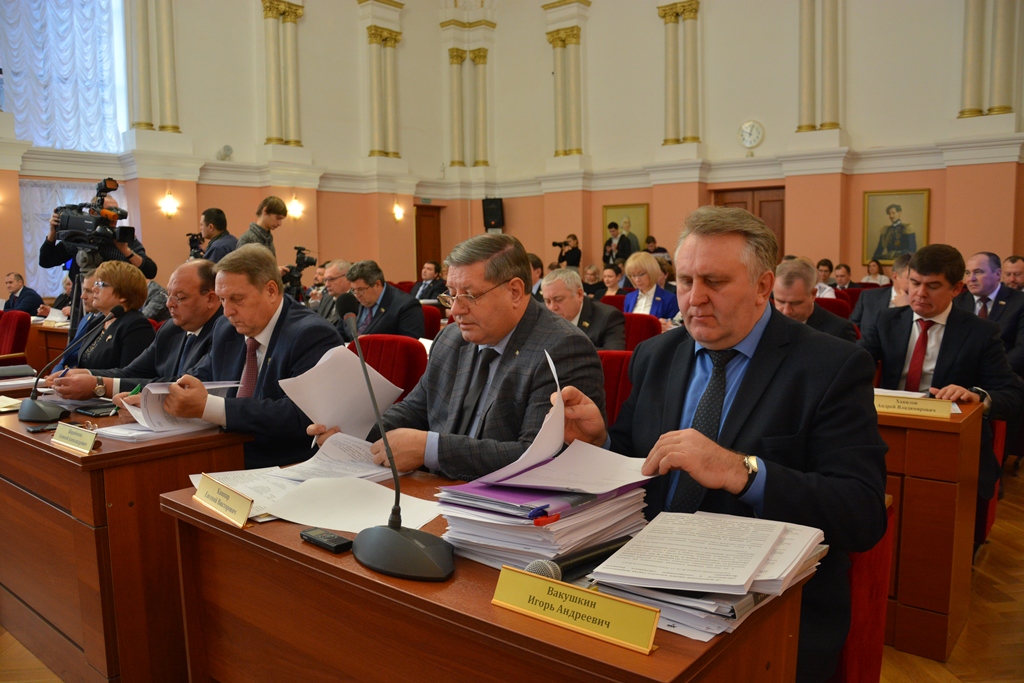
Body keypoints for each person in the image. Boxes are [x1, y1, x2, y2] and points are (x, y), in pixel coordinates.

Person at [558, 206, 887, 681]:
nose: (694, 299)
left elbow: (861, 512)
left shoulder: (831, 366)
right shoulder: (655, 355)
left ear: (762, 286)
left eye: (714, 281)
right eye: (685, 281)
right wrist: (600, 440)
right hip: (640, 582)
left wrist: (741, 471)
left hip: (764, 610)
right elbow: (638, 458)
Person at [309, 234, 605, 481]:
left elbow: (535, 455)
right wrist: (351, 433)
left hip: (504, 510)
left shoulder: (561, 348)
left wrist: (431, 449)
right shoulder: (452, 338)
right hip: (433, 494)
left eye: (469, 296)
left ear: (515, 291)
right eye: (451, 295)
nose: (455, 310)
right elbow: (415, 410)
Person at [859, 244, 1023, 550]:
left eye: (933, 286)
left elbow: (1012, 395)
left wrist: (976, 396)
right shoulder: (887, 320)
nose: (920, 293)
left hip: (952, 443)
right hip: (889, 434)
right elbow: (856, 364)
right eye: (915, 282)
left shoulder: (981, 332)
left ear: (957, 288)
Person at [140, 244, 342, 469]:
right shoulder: (226, 328)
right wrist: (152, 402)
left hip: (283, 463)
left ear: (271, 291)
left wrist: (209, 407)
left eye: (237, 299)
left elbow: (299, 414)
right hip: (224, 452)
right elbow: (200, 377)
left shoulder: (310, 334)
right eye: (222, 300)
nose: (227, 312)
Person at [51, 260, 222, 400]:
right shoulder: (170, 329)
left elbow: (185, 384)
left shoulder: (224, 332)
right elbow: (132, 372)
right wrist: (86, 374)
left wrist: (100, 385)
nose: (169, 304)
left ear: (210, 299)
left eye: (180, 297)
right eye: (168, 295)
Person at [40, 194, 157, 282]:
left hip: (115, 299)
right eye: (109, 211)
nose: (114, 216)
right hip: (82, 299)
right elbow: (46, 261)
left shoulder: (122, 237)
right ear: (92, 212)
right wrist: (53, 233)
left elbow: (150, 271)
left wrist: (125, 250)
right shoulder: (80, 237)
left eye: (117, 211)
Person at [67, 261, 155, 372]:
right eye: (96, 283)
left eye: (101, 284)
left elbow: (130, 375)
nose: (94, 289)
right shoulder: (98, 321)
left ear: (123, 295)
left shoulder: (136, 326)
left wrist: (85, 375)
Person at [955, 252, 1024, 375]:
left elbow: (1021, 349)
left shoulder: (1019, 302)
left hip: (1006, 375)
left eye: (978, 272)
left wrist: (993, 374)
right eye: (967, 273)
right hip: (962, 376)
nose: (971, 279)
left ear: (997, 274)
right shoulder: (957, 302)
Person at [774, 260, 857, 342]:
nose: (786, 311)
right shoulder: (769, 323)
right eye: (780, 302)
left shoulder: (839, 331)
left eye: (795, 303)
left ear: (813, 294)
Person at [340, 260, 424, 341]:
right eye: (353, 289)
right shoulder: (351, 301)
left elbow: (410, 344)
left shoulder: (406, 305)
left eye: (361, 289)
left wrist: (374, 341)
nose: (357, 295)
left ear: (377, 284)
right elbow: (341, 333)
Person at [542, 269, 625, 350]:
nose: (552, 307)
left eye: (558, 299)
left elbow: (613, 355)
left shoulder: (608, 317)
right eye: (547, 301)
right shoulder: (541, 316)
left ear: (579, 294)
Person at [850, 253, 910, 341]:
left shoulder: (923, 302)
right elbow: (851, 328)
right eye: (912, 279)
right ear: (895, 277)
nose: (919, 288)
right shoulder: (868, 297)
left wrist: (907, 309)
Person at [55, 269, 101, 371]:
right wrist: (55, 373)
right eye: (83, 290)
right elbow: (67, 356)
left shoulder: (107, 322)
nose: (82, 296)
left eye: (89, 291)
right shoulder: (86, 319)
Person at [623, 251, 679, 321]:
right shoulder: (629, 297)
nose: (637, 279)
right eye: (633, 275)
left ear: (651, 272)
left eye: (641, 274)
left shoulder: (669, 299)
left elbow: (675, 325)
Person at [312, 259, 354, 325]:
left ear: (347, 278)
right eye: (325, 280)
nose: (327, 285)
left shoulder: (356, 301)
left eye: (331, 279)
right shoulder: (326, 298)